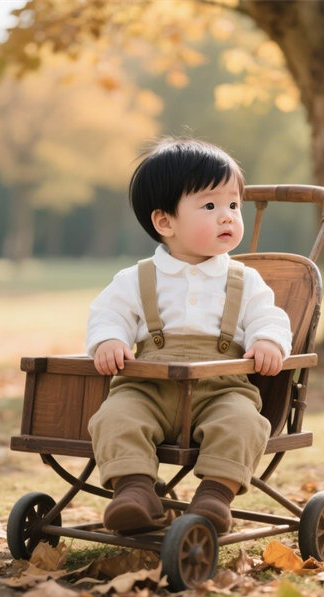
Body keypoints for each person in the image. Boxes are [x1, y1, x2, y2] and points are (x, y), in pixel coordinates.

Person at [86, 137, 292, 534]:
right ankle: (134, 491)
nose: (228, 216)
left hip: (222, 387)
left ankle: (215, 496)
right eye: (210, 206)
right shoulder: (137, 278)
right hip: (147, 385)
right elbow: (108, 314)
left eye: (234, 205)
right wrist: (109, 340)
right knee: (114, 416)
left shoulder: (244, 280)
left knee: (243, 422)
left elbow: (270, 316)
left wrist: (267, 340)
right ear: (165, 222)